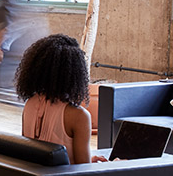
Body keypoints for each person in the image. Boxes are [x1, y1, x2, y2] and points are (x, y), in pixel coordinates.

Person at [14, 34, 105, 165]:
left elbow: (36, 155)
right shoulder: (79, 116)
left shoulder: (30, 104)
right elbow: (84, 171)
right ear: (76, 74)